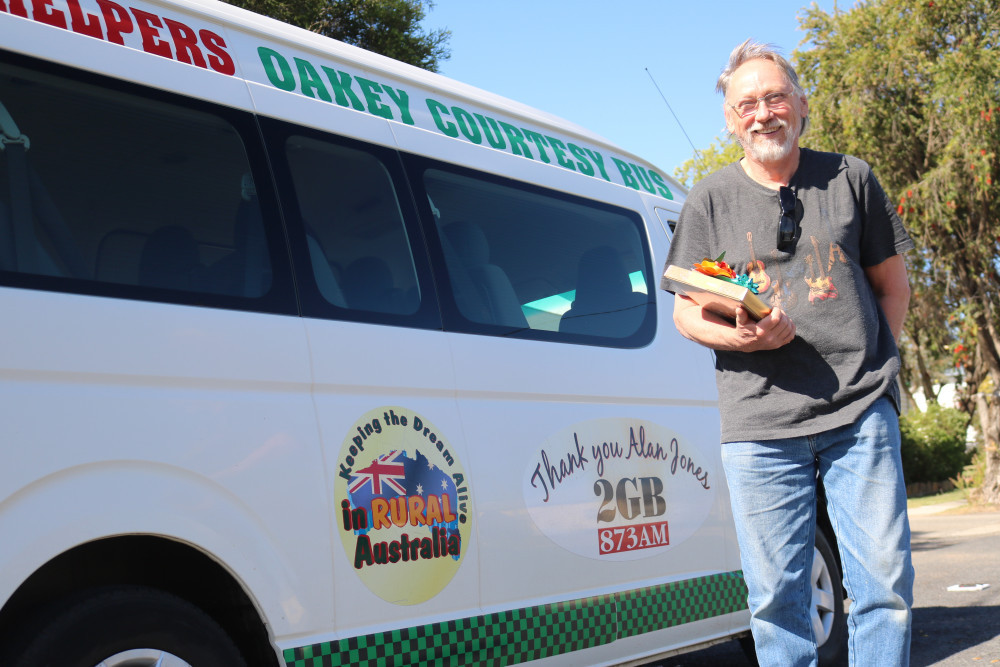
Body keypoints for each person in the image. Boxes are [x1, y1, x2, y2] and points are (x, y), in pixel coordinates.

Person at [661, 39, 915, 666]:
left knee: (883, 588)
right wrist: (740, 336)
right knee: (777, 599)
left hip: (859, 413)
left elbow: (893, 285)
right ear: (729, 119)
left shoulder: (851, 177)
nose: (762, 113)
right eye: (746, 103)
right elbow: (685, 311)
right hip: (759, 422)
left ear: (800, 104)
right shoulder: (708, 200)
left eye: (775, 97)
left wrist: (875, 368)